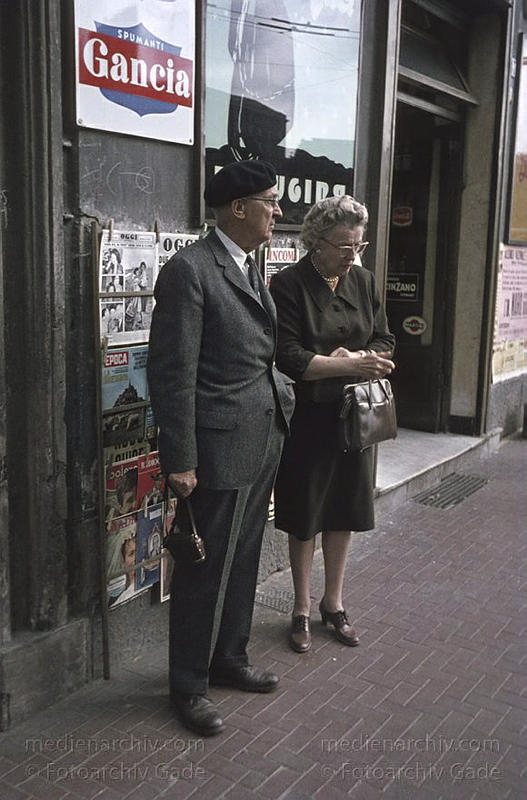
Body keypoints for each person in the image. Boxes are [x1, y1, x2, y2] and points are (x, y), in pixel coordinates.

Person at [147, 160, 295, 737]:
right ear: (237, 208)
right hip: (215, 447)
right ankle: (188, 685)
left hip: (261, 437)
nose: (278, 211)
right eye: (270, 202)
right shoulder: (190, 271)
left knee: (245, 555)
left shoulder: (249, 264)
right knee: (203, 569)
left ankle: (229, 657)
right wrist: (180, 458)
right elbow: (172, 373)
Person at [269, 195, 395, 654]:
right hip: (310, 419)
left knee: (344, 510)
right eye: (344, 246)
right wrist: (343, 364)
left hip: (356, 418)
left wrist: (361, 356)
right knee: (305, 515)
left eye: (358, 245)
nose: (352, 255)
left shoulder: (363, 280)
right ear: (316, 241)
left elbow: (384, 337)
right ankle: (301, 607)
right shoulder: (289, 284)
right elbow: (288, 356)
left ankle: (333, 602)